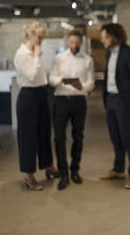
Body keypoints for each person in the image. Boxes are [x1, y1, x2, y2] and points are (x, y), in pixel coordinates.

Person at [14, 21, 59, 191]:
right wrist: (37, 58)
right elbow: (31, 77)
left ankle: (48, 165)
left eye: (42, 37)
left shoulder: (34, 52)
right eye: (38, 37)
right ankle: (29, 175)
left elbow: (41, 76)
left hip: (41, 94)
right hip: (28, 96)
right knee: (28, 137)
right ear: (30, 36)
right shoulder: (22, 54)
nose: (41, 40)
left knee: (44, 132)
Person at [49, 29, 95, 190]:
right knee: (59, 138)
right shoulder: (59, 58)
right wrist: (62, 79)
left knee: (78, 137)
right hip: (61, 100)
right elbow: (51, 79)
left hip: (79, 101)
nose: (74, 45)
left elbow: (91, 82)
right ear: (67, 42)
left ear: (81, 42)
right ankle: (63, 174)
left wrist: (82, 85)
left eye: (77, 42)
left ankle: (75, 170)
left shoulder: (87, 60)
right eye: (71, 42)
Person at [99, 23, 130, 189]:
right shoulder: (108, 53)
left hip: (124, 102)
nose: (102, 40)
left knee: (128, 139)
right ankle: (118, 170)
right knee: (115, 137)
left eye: (105, 37)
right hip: (110, 99)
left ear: (114, 36)